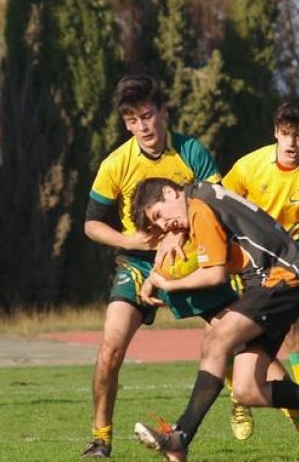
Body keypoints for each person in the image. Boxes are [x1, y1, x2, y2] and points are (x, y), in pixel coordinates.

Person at [130, 179, 299, 462]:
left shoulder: (198, 205)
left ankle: (180, 438)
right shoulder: (202, 195)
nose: (165, 225)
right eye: (158, 225)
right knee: (246, 389)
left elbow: (214, 275)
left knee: (216, 339)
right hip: (274, 283)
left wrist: (166, 284)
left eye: (159, 215)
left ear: (170, 192)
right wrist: (169, 249)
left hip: (281, 279)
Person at [80, 75, 237, 458]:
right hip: (136, 265)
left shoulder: (191, 151)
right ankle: (101, 439)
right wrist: (128, 240)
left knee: (236, 337)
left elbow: (217, 203)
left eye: (148, 116)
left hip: (190, 262)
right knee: (109, 350)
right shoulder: (115, 163)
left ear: (164, 112)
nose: (142, 127)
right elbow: (91, 224)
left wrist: (178, 237)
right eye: (132, 120)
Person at [220, 97, 299, 453]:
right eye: (287, 134)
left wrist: (298, 277)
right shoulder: (248, 167)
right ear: (276, 132)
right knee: (221, 337)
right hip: (244, 265)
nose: (292, 143)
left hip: (291, 266)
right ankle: (238, 396)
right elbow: (219, 211)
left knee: (294, 339)